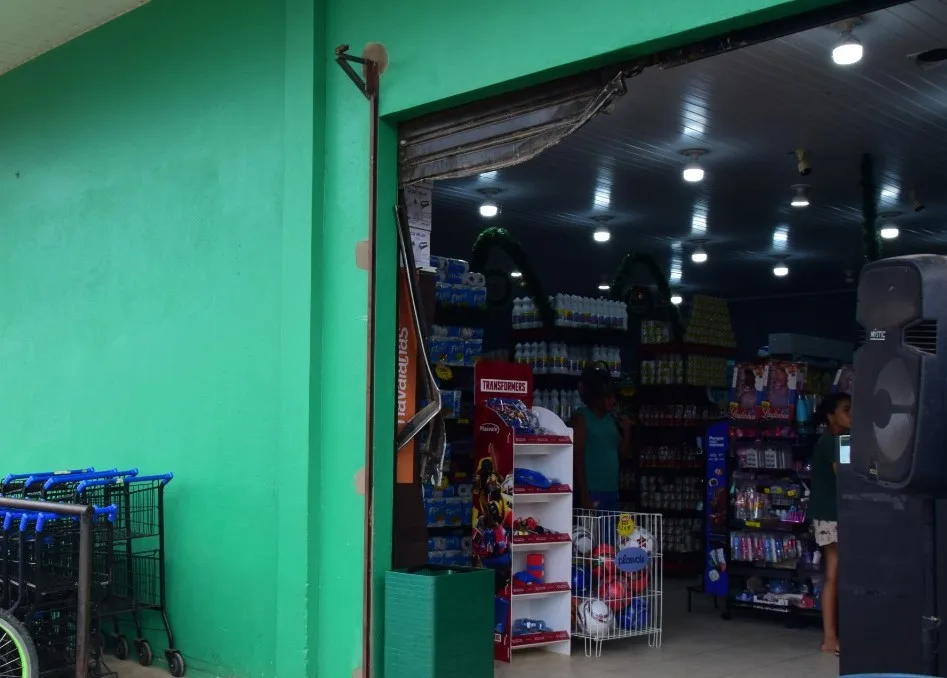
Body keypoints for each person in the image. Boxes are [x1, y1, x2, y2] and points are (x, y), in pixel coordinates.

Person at [808, 391, 851, 656]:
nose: (852, 415)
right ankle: (831, 636)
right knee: (837, 576)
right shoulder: (835, 442)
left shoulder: (835, 440)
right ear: (831, 416)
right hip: (834, 515)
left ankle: (830, 637)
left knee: (834, 576)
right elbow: (846, 477)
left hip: (829, 514)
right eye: (846, 410)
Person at [571, 363, 631, 511]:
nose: (613, 401)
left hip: (612, 491)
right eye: (608, 397)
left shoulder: (610, 420)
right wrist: (584, 494)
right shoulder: (581, 418)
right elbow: (576, 460)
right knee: (591, 534)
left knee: (610, 534)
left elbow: (623, 455)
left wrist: (628, 431)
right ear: (596, 396)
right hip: (592, 491)